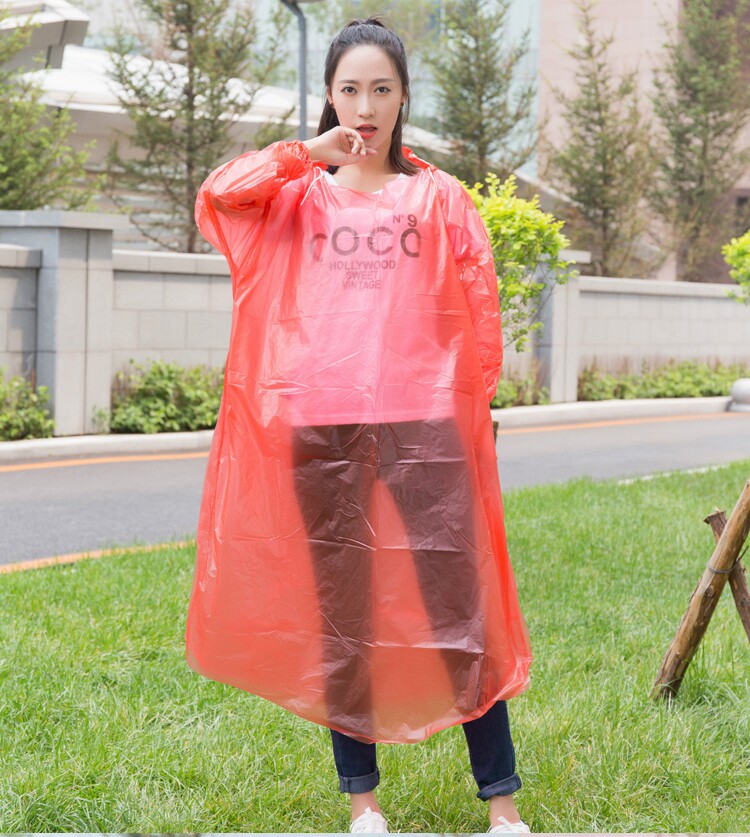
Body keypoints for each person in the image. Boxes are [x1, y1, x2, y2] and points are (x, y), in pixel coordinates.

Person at [185, 17, 533, 835]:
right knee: (343, 615)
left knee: (460, 609)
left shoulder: (439, 198)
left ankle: (503, 802)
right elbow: (219, 194)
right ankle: (364, 802)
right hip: (324, 425)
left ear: (404, 96)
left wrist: (473, 413)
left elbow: (478, 314)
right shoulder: (296, 195)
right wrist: (306, 153)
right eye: (350, 90)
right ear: (329, 96)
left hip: (424, 424)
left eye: (381, 89)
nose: (366, 107)